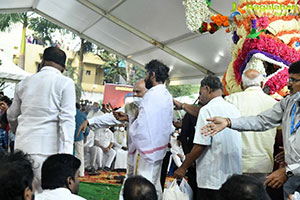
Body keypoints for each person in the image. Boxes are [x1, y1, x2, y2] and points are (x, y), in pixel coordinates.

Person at [201, 60, 300, 199]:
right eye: (290, 79)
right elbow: (261, 121)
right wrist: (229, 122)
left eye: (294, 80)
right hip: (287, 176)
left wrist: (288, 171)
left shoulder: (230, 99)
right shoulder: (289, 102)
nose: (289, 84)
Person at [7, 47, 76, 192]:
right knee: (46, 194)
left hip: (22, 149)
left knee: (21, 193)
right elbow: (67, 122)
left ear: (43, 61)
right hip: (48, 152)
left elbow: (12, 116)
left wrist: (18, 131)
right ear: (63, 67)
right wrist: (66, 158)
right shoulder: (65, 83)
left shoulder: (24, 83)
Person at [174, 75, 242, 200]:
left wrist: (183, 167)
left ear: (207, 89)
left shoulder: (207, 110)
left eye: (200, 93)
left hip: (212, 179)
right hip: (233, 177)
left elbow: (201, 144)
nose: (200, 97)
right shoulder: (234, 109)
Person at [114, 60, 174, 199]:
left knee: (142, 189)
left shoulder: (151, 96)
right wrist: (130, 118)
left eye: (146, 74)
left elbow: (142, 127)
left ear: (152, 75)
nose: (145, 78)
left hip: (146, 152)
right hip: (159, 150)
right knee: (154, 186)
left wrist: (132, 123)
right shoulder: (166, 95)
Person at [224, 69, 277, 182]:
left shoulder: (230, 100)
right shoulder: (274, 104)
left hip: (237, 163)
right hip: (263, 164)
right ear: (262, 84)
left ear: (242, 84)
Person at [74, 103, 89, 177]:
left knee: (68, 153)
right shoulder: (83, 115)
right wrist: (85, 134)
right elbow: (86, 129)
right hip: (79, 137)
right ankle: (81, 173)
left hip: (68, 137)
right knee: (79, 155)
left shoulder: (69, 113)